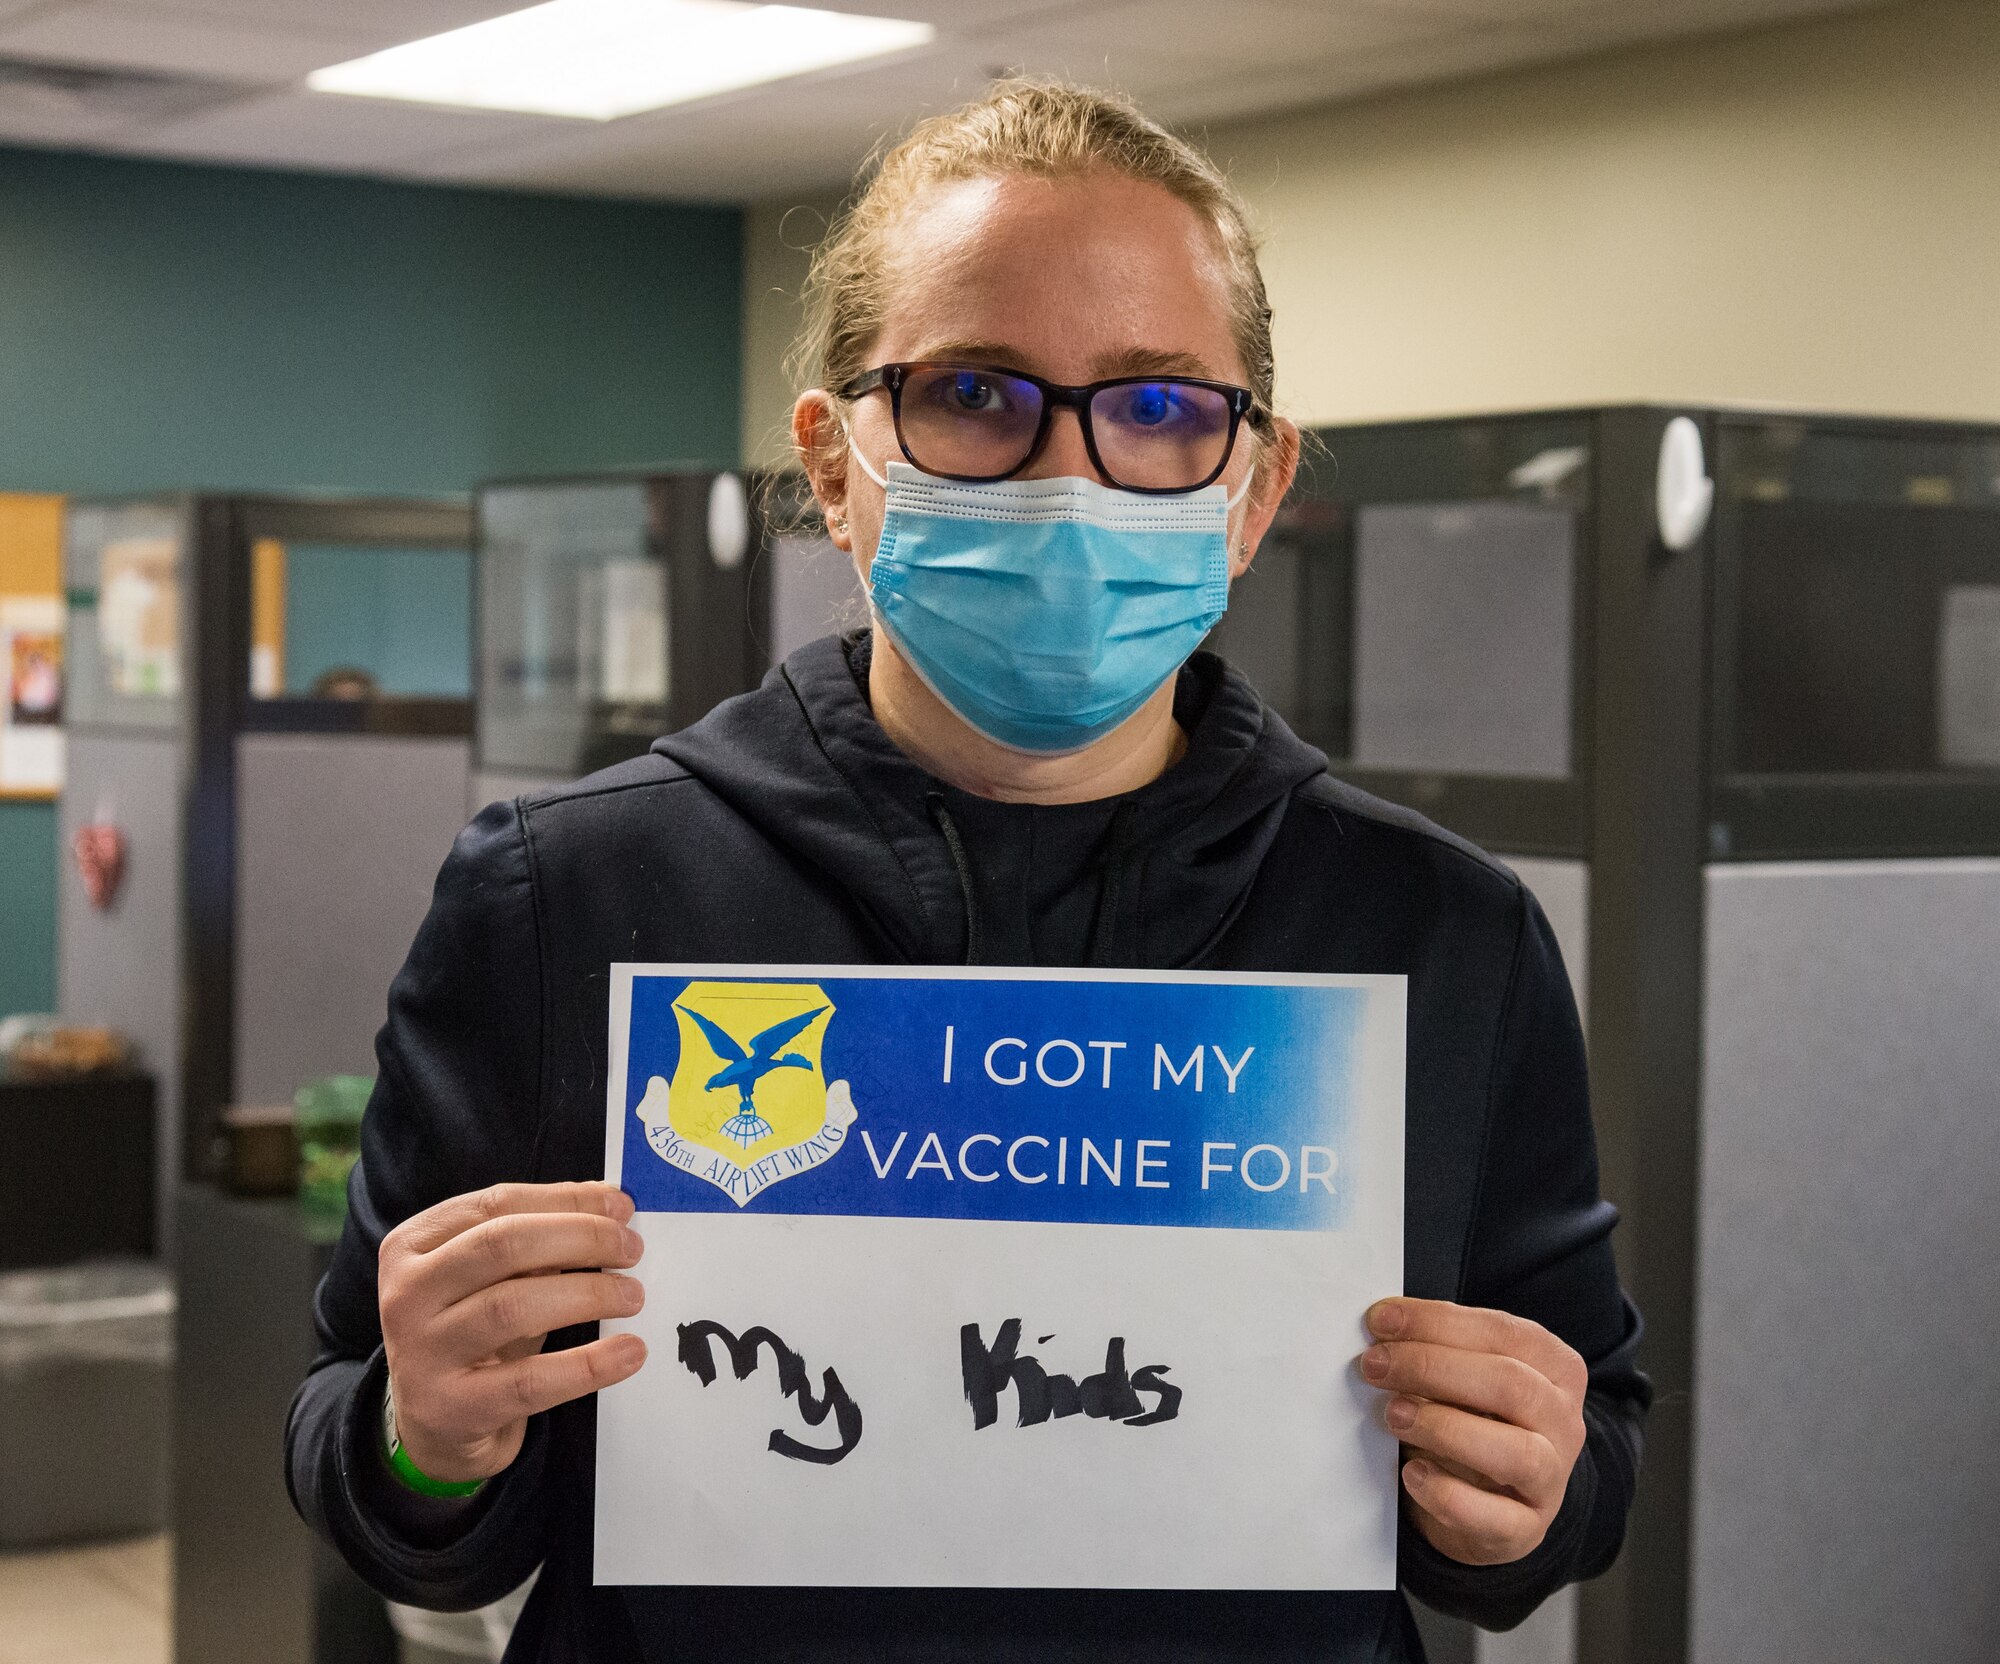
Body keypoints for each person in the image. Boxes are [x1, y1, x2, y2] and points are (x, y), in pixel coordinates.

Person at [288, 78, 1646, 1664]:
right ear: (838, 462)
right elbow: (375, 1469)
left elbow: (1572, 1469)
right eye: (976, 395)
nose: (1065, 476)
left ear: (1254, 487)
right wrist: (422, 1435)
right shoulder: (563, 894)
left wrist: (1538, 1483)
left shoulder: (1435, 933)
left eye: (1156, 408)